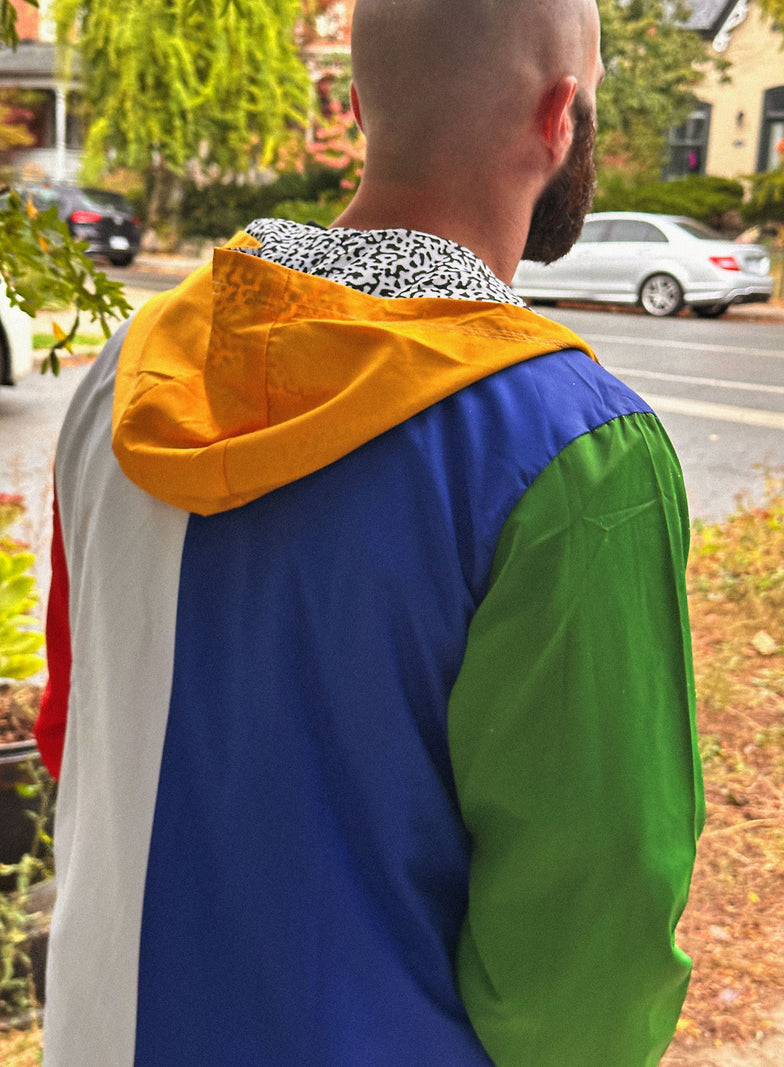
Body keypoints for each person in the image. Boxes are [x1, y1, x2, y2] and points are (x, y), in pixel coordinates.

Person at [36, 0, 704, 1063]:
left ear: (356, 107)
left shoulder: (126, 373)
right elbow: (590, 938)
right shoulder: (575, 452)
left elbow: (74, 720)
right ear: (559, 117)